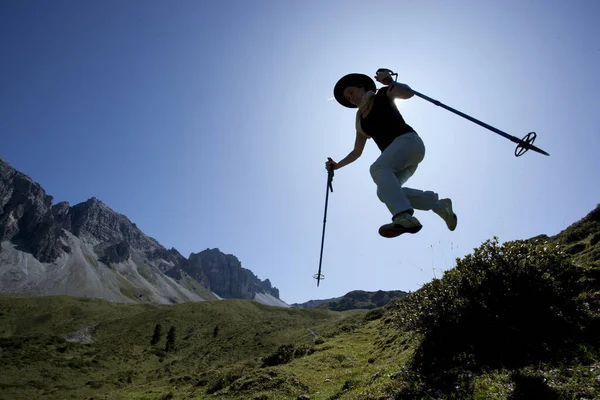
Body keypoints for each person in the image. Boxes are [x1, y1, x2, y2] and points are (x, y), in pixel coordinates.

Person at [326, 70, 457, 238]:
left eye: (350, 92)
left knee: (378, 168)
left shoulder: (381, 94)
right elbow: (357, 152)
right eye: (347, 98)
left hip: (410, 142)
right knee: (383, 192)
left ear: (362, 87)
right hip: (403, 160)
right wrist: (337, 166)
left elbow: (409, 94)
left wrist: (389, 82)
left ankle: (403, 216)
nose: (350, 98)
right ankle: (439, 205)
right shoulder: (361, 122)